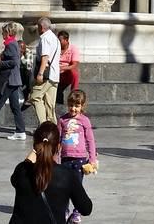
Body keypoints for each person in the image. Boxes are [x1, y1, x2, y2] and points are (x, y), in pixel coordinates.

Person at [10, 121, 92, 223]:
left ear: (35, 146)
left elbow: (15, 179)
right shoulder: (67, 175)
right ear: (58, 147)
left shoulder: (22, 170)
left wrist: (34, 151)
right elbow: (86, 209)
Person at [58, 90, 98, 224]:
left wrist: (92, 160)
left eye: (77, 106)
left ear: (82, 106)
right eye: (71, 105)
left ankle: (77, 212)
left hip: (80, 159)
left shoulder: (85, 121)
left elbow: (90, 141)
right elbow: (58, 140)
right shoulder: (62, 120)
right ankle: (64, 210)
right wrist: (54, 157)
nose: (73, 108)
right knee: (63, 186)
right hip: (65, 159)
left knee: (77, 187)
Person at [29, 17, 61, 124]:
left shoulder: (45, 38)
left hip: (47, 74)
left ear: (41, 27)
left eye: (38, 27)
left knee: (35, 97)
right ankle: (53, 128)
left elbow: (45, 56)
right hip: (55, 75)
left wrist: (40, 73)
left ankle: (43, 125)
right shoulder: (55, 38)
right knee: (49, 104)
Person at [56, 30, 80, 106]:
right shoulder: (56, 48)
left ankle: (74, 93)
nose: (58, 42)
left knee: (74, 72)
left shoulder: (73, 48)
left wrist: (63, 68)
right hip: (55, 71)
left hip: (66, 72)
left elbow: (74, 65)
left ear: (66, 40)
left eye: (60, 40)